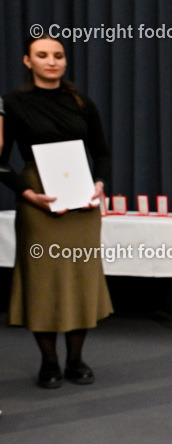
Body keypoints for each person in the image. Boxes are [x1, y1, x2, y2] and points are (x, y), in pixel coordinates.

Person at [1, 36, 112, 389]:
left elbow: (102, 152)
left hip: (82, 203)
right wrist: (28, 193)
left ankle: (76, 360)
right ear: (27, 60)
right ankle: (49, 363)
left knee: (80, 278)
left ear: (65, 61)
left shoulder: (81, 102)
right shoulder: (11, 104)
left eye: (58, 55)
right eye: (42, 55)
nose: (52, 61)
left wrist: (99, 184)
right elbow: (0, 162)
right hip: (39, 202)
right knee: (43, 281)